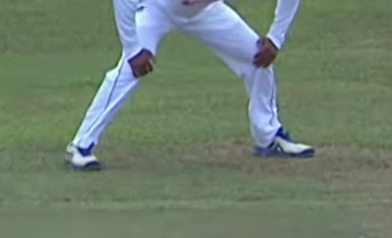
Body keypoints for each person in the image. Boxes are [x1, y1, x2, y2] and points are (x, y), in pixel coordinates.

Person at [65, 0, 314, 170]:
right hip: (156, 8)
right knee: (130, 69)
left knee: (257, 57)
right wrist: (132, 49)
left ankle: (268, 137)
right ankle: (80, 146)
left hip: (206, 12)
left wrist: (276, 38)